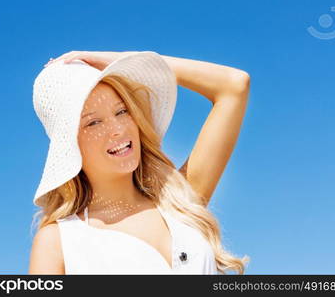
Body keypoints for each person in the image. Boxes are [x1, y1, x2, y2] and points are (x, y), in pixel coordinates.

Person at [28, 51, 250, 275]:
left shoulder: (179, 201)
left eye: (122, 111)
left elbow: (234, 85)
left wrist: (116, 61)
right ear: (69, 145)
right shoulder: (58, 243)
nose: (118, 129)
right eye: (94, 122)